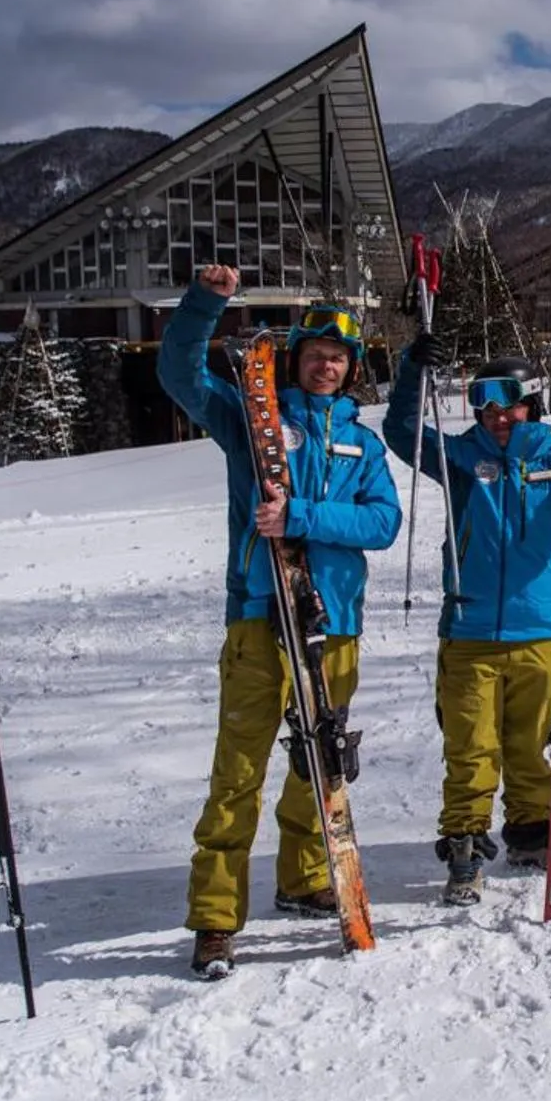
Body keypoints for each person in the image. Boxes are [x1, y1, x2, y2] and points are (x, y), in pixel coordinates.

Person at [159, 268, 402, 979]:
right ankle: (214, 918)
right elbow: (178, 373)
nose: (326, 365)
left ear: (351, 367)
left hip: (334, 622)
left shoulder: (364, 441)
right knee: (237, 773)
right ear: (294, 358)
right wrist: (207, 303)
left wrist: (299, 516)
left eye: (338, 357)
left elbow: (383, 522)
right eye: (314, 353)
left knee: (316, 763)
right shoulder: (250, 416)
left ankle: (303, 878)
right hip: (261, 615)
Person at [384, 343, 551, 904]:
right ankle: (464, 847)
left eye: (507, 403)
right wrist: (413, 369)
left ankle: (531, 832)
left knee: (529, 744)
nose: (495, 415)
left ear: (531, 404)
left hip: (538, 631)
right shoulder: (462, 459)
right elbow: (399, 432)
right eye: (483, 404)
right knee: (471, 748)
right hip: (469, 633)